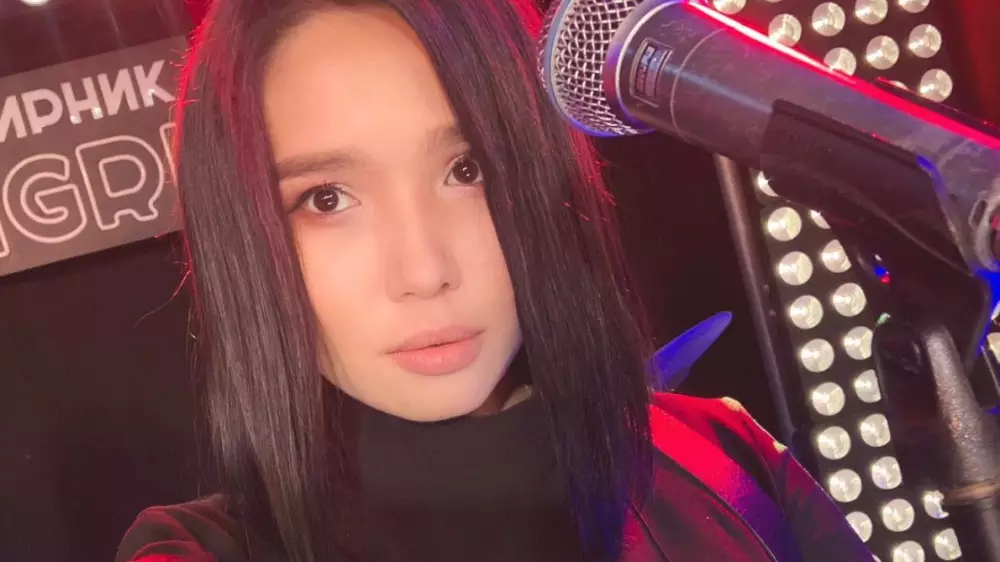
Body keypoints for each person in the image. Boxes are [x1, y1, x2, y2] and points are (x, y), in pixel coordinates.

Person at [115, 0, 875, 560]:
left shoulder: (722, 460)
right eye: (327, 199)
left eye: (466, 169)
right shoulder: (198, 552)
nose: (424, 271)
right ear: (243, 239)